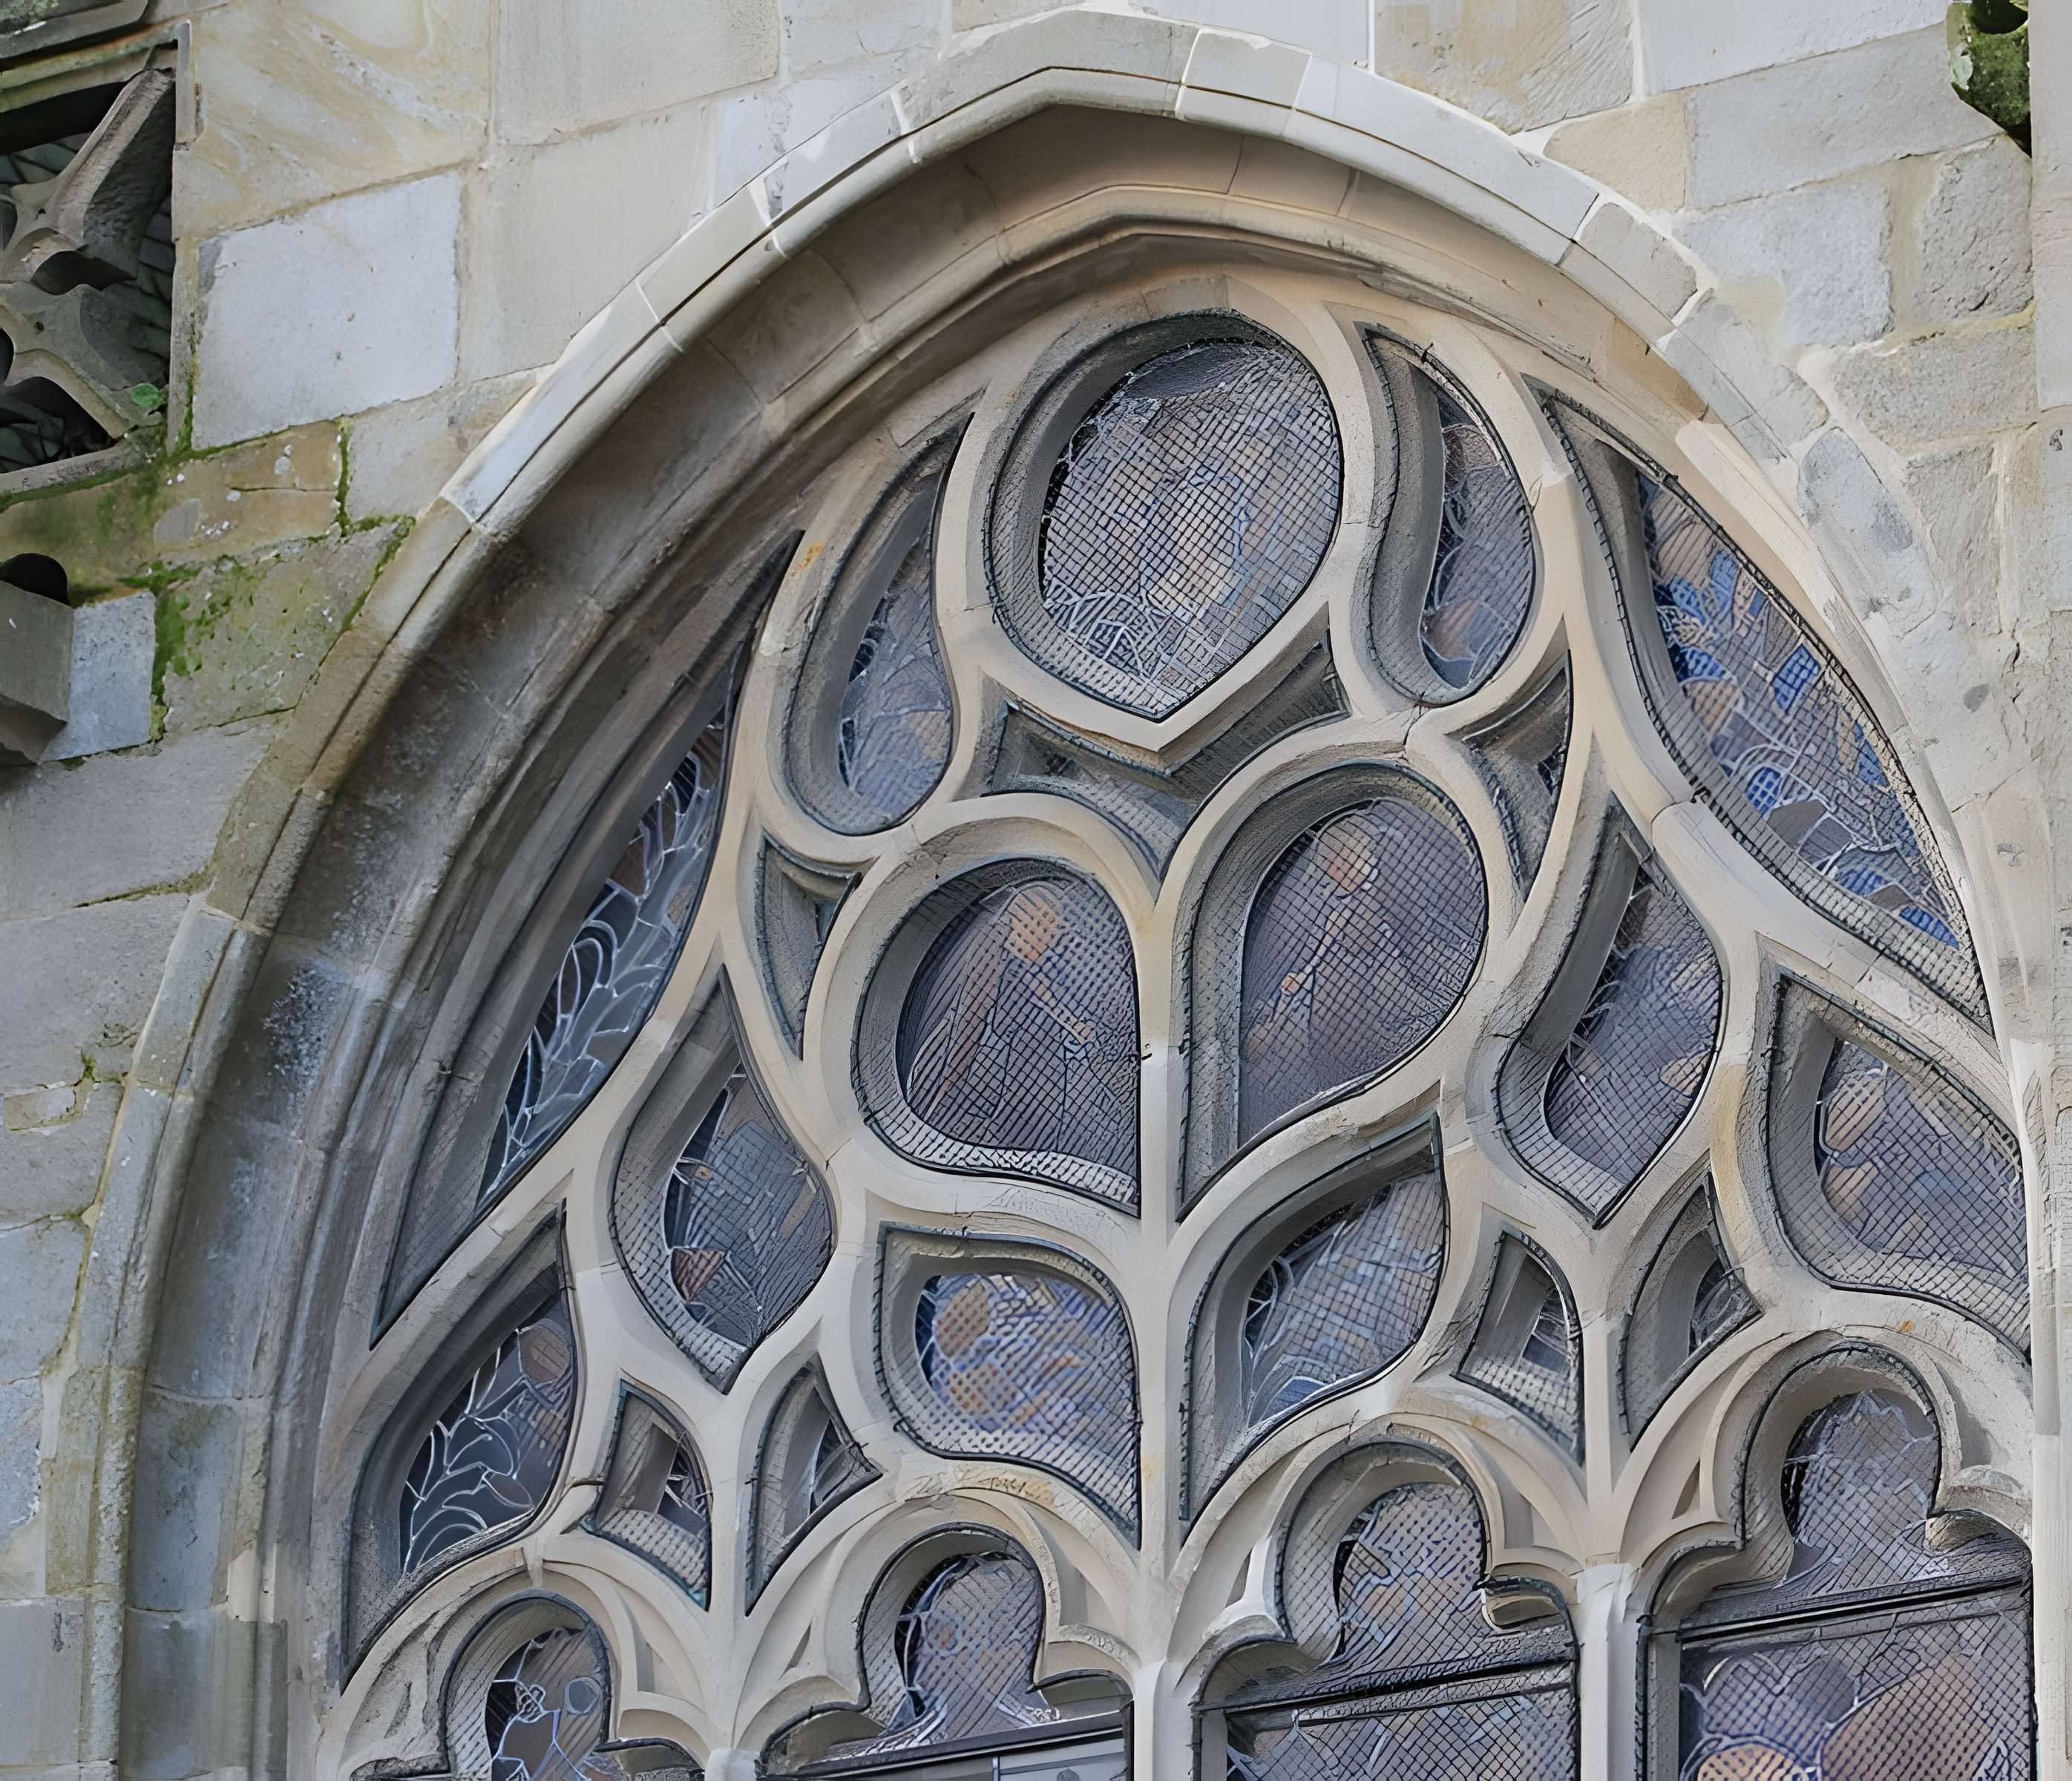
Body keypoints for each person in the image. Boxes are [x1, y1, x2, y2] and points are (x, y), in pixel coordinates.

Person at [900, 880, 1137, 1175]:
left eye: (1049, 925)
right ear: (1013, 934)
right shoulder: (1008, 979)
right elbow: (979, 1023)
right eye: (1034, 924)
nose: (1045, 933)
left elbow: (1048, 1001)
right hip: (1029, 1060)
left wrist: (1074, 1026)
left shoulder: (1044, 976)